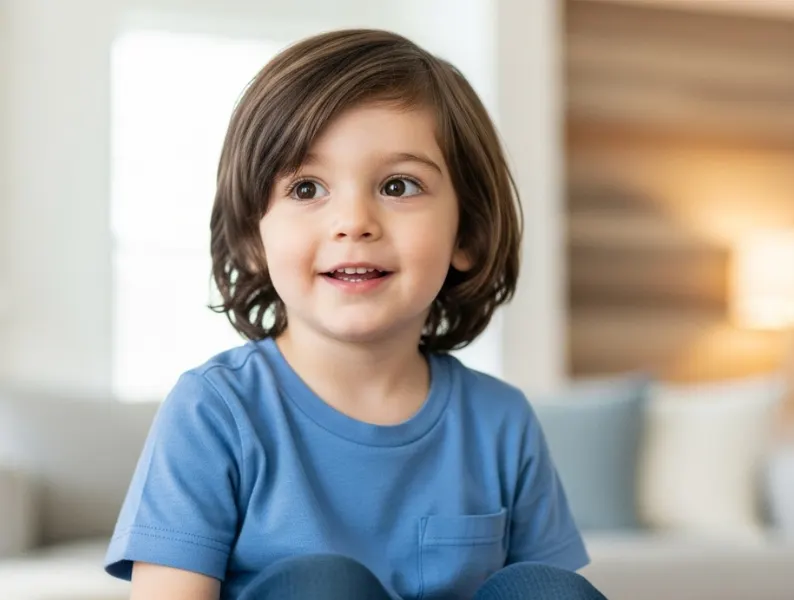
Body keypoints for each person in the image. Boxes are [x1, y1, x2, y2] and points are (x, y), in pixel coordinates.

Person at [104, 28, 608, 600]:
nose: (354, 220)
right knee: (324, 584)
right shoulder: (214, 411)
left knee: (549, 590)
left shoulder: (501, 422)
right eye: (306, 188)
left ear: (466, 233)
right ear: (253, 236)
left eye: (398, 185)